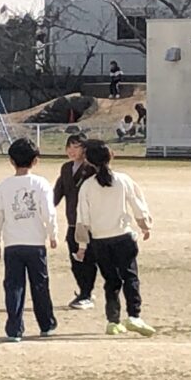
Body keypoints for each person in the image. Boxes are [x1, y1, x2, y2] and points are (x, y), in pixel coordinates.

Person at [75, 140, 155, 337]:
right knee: (130, 277)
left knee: (111, 281)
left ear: (89, 161)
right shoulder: (122, 180)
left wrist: (82, 245)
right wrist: (145, 226)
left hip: (100, 241)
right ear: (111, 156)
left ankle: (113, 321)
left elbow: (82, 219)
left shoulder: (87, 186)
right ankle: (134, 316)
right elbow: (136, 204)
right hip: (123, 237)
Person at [0, 138, 58, 341]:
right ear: (35, 160)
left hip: (13, 244)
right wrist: (52, 234)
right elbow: (48, 212)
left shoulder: (4, 186)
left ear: (11, 161)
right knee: (40, 285)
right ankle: (46, 324)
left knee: (14, 286)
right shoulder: (41, 183)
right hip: (35, 243)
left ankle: (14, 329)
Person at [54, 133, 98, 310]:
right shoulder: (66, 168)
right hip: (72, 222)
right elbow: (58, 191)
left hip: (88, 222)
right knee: (74, 259)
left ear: (84, 150)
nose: (72, 151)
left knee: (87, 260)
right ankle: (84, 290)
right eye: (69, 146)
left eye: (77, 147)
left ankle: (86, 293)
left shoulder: (91, 169)